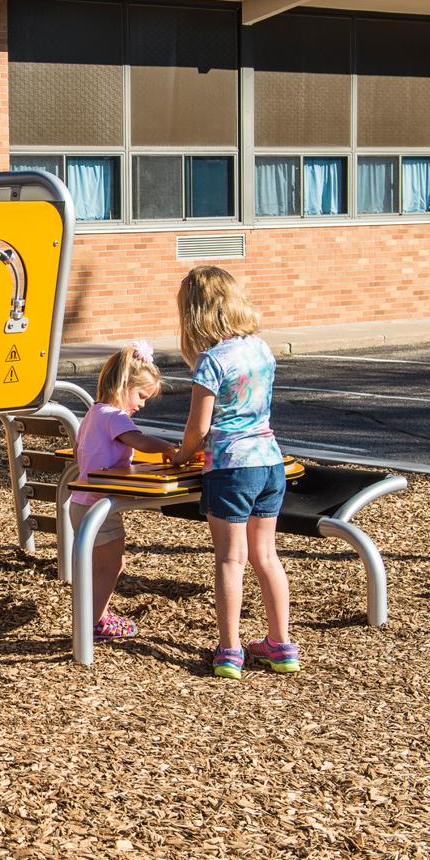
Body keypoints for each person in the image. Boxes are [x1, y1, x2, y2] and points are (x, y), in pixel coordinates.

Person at [168, 266, 298, 679]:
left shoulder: (212, 360)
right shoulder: (261, 349)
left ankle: (229, 651)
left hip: (230, 467)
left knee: (230, 559)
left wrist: (181, 455)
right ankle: (280, 645)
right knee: (266, 556)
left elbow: (199, 429)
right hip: (269, 461)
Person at [70, 341, 180, 640]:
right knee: (113, 566)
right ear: (122, 386)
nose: (142, 404)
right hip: (99, 505)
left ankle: (93, 616)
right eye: (141, 395)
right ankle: (92, 623)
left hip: (80, 502)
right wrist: (169, 449)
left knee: (97, 567)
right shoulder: (116, 417)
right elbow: (140, 442)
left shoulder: (93, 413)